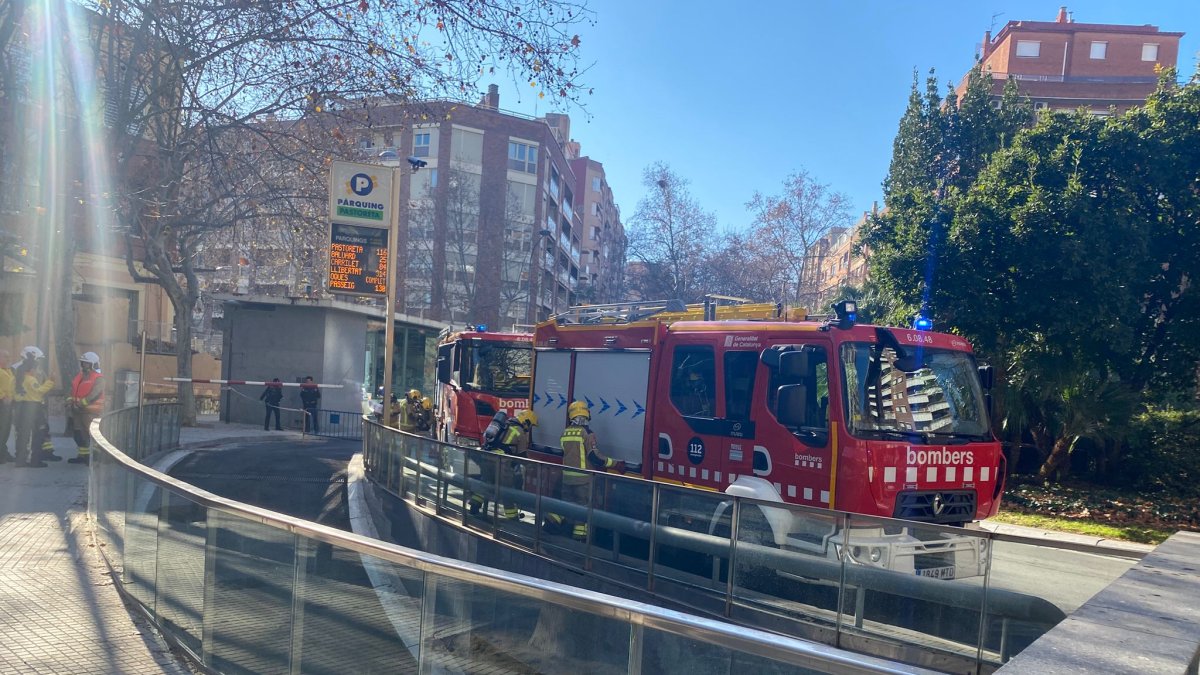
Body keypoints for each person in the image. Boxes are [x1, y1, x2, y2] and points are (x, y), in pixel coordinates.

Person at [550, 400, 624, 541]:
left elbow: (565, 453)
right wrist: (615, 464)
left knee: (566, 506)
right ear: (586, 414)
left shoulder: (565, 433)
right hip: (583, 480)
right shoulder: (587, 433)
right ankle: (580, 539)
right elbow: (594, 457)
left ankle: (551, 523)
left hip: (567, 478)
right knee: (584, 509)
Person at [470, 409, 537, 520]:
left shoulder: (505, 425)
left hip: (487, 458)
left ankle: (474, 505)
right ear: (527, 422)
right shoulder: (519, 431)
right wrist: (531, 466)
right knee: (507, 490)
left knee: (486, 483)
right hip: (502, 463)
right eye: (530, 426)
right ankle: (513, 517)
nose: (529, 429)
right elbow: (521, 455)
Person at [12, 347, 55, 468]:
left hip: (20, 406)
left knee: (22, 435)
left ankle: (20, 460)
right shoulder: (31, 379)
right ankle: (34, 460)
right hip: (32, 407)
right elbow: (39, 391)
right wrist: (51, 381)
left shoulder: (16, 378)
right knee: (36, 433)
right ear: (31, 369)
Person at [67, 352, 105, 464]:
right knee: (79, 434)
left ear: (93, 364)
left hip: (91, 412)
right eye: (82, 363)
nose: (83, 365)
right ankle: (83, 456)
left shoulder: (99, 378)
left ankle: (94, 457)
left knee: (91, 434)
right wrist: (69, 402)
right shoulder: (79, 376)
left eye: (86, 363)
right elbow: (72, 391)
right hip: (78, 411)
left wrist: (81, 403)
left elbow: (95, 394)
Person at [0, 349, 13, 463]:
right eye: (5, 356)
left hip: (8, 404)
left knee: (6, 429)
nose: (8, 359)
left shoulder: (8, 370)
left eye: (8, 357)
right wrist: (3, 397)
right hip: (2, 403)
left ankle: (3, 452)